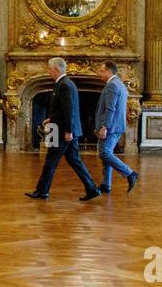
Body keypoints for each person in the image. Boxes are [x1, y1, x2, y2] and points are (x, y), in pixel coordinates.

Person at [27, 57, 101, 202]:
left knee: (50, 161)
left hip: (61, 131)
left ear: (56, 69)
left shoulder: (64, 85)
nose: (48, 72)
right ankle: (92, 189)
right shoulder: (63, 84)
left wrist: (69, 131)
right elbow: (62, 109)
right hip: (60, 128)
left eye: (49, 69)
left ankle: (42, 191)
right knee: (74, 160)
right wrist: (51, 119)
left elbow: (70, 110)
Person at [95, 62, 139, 194]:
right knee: (106, 153)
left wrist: (104, 127)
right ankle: (106, 184)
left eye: (101, 71)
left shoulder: (112, 86)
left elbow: (110, 109)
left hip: (111, 127)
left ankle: (130, 173)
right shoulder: (120, 84)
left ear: (109, 71)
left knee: (104, 153)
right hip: (118, 126)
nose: (99, 74)